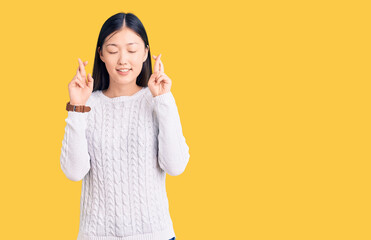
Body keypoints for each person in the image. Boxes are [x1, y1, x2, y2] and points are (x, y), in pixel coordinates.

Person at [60, 12, 190, 240]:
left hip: (155, 234)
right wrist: (77, 107)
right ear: (101, 53)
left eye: (132, 50)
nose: (122, 60)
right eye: (112, 50)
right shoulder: (87, 104)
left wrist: (164, 100)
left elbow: (176, 166)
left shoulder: (157, 101)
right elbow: (73, 172)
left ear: (145, 53)